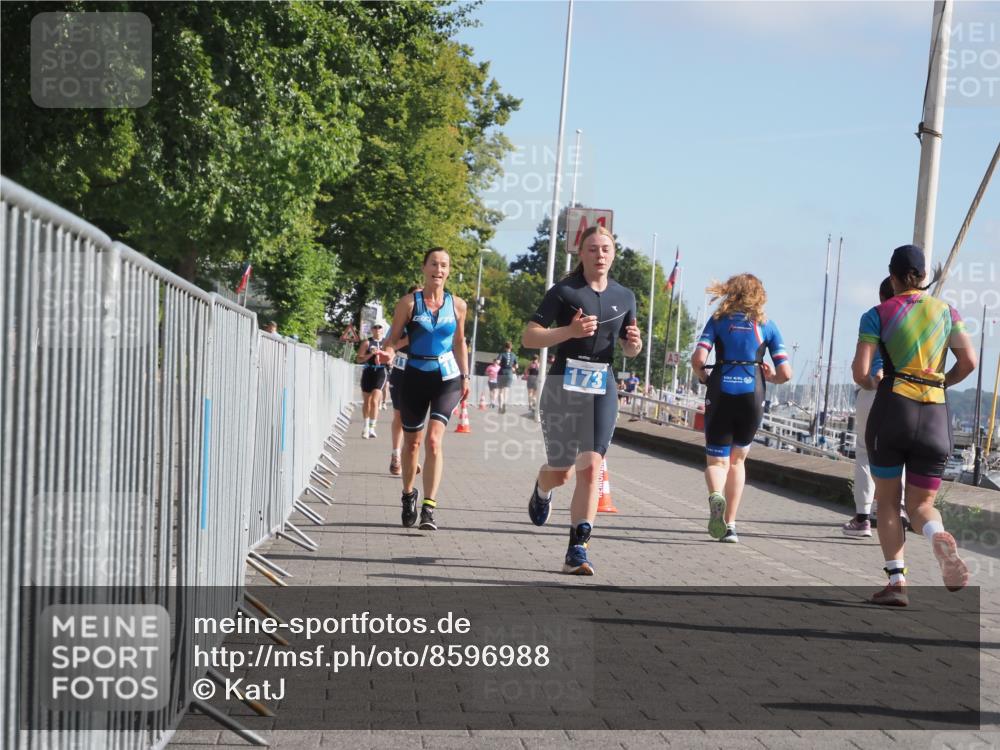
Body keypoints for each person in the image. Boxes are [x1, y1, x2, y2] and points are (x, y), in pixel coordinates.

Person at [852, 244, 975, 606]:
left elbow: (861, 372)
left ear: (892, 276)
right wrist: (940, 381)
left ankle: (897, 581)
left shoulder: (876, 314)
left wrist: (874, 383)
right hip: (935, 415)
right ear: (922, 277)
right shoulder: (948, 312)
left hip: (893, 409)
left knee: (888, 502)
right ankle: (937, 535)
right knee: (922, 506)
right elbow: (968, 361)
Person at [522, 225, 641, 575]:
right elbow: (530, 336)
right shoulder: (564, 291)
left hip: (602, 385)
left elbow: (630, 348)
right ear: (581, 253)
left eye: (605, 248)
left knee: (591, 467)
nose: (600, 254)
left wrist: (633, 344)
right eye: (593, 248)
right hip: (563, 386)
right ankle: (542, 490)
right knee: (561, 473)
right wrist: (569, 332)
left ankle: (578, 548)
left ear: (614, 253)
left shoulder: (626, 296)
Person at [691, 273, 792, 543]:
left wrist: (704, 378)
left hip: (721, 388)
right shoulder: (767, 326)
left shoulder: (718, 321)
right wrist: (771, 377)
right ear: (759, 295)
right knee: (737, 460)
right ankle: (731, 525)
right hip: (752, 393)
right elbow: (786, 373)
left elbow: (699, 358)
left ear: (730, 292)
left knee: (716, 460)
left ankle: (716, 496)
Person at [384, 248, 469, 531]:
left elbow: (459, 342)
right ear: (424, 267)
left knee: (434, 440)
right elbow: (392, 339)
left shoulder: (458, 305)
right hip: (415, 376)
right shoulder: (408, 303)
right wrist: (386, 352)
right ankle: (408, 494)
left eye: (444, 265)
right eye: (434, 264)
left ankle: (429, 508)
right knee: (413, 445)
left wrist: (465, 375)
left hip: (447, 377)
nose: (439, 270)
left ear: (449, 270)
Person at [842, 277, 893, 537]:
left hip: (873, 391)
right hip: (906, 395)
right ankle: (898, 512)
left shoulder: (874, 317)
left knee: (864, 452)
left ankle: (862, 517)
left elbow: (863, 367)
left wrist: (870, 378)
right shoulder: (914, 319)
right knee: (898, 455)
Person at [387, 286, 423, 476]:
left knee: (417, 419)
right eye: (416, 295)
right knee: (400, 416)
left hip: (422, 371)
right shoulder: (401, 319)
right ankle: (396, 454)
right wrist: (410, 337)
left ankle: (411, 453)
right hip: (401, 369)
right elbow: (390, 344)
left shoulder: (429, 319)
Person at [356, 323, 388, 439]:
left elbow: (391, 356)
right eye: (375, 327)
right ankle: (365, 427)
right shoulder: (367, 342)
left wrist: (387, 360)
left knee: (375, 401)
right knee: (367, 401)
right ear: (372, 329)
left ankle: (372, 428)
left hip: (380, 372)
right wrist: (371, 354)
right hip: (368, 372)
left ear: (383, 330)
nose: (377, 330)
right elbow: (359, 359)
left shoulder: (386, 342)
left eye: (380, 327)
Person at [497, 342, 518, 414]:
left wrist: (499, 363)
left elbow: (497, 361)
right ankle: (504, 404)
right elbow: (516, 366)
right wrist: (513, 368)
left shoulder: (502, 354)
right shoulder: (514, 355)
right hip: (509, 374)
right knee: (506, 391)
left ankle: (500, 407)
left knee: (500, 392)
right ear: (511, 348)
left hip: (502, 372)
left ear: (505, 347)